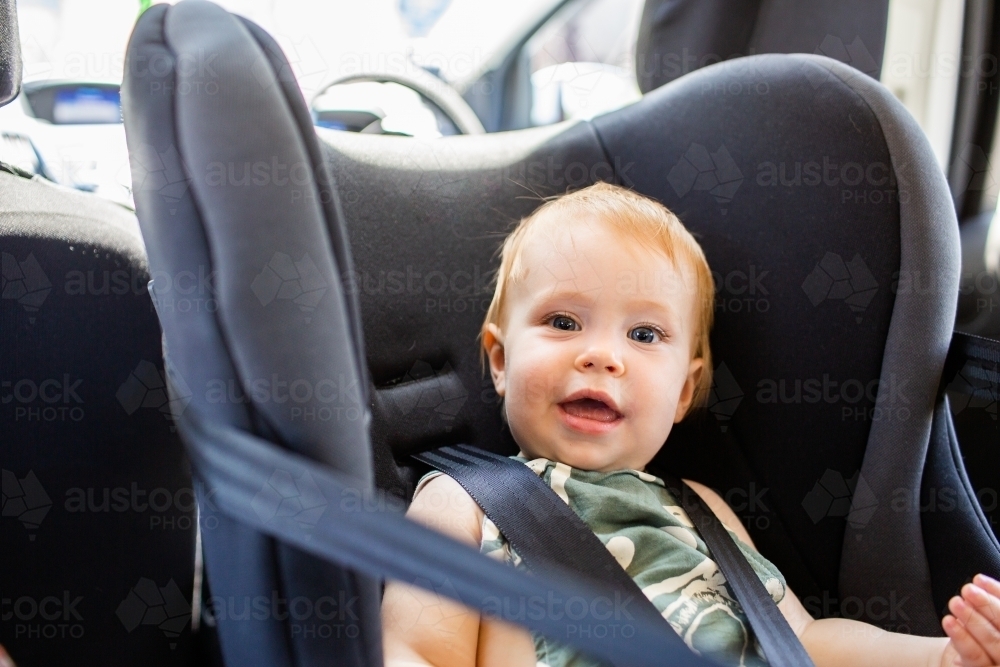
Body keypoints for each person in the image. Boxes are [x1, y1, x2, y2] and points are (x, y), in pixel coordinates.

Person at [381, 182, 1000, 667]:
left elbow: (807, 642)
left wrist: (940, 656)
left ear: (683, 391)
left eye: (644, 334)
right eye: (564, 323)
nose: (602, 355)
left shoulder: (699, 508)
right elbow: (418, 651)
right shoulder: (464, 505)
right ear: (499, 359)